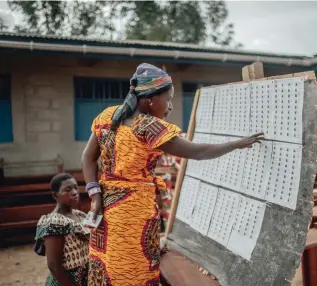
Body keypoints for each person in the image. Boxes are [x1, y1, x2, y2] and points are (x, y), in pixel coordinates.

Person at [82, 63, 264, 286]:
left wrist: (95, 195)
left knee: (107, 268)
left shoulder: (108, 117)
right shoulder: (148, 126)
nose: (169, 107)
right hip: (132, 217)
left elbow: (87, 158)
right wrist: (237, 144)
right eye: (168, 99)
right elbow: (199, 152)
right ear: (151, 99)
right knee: (132, 272)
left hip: (105, 214)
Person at [34, 173, 90, 286]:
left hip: (86, 279)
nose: (74, 192)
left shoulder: (81, 216)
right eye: (68, 190)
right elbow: (54, 266)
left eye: (75, 187)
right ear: (55, 195)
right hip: (66, 281)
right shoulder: (54, 222)